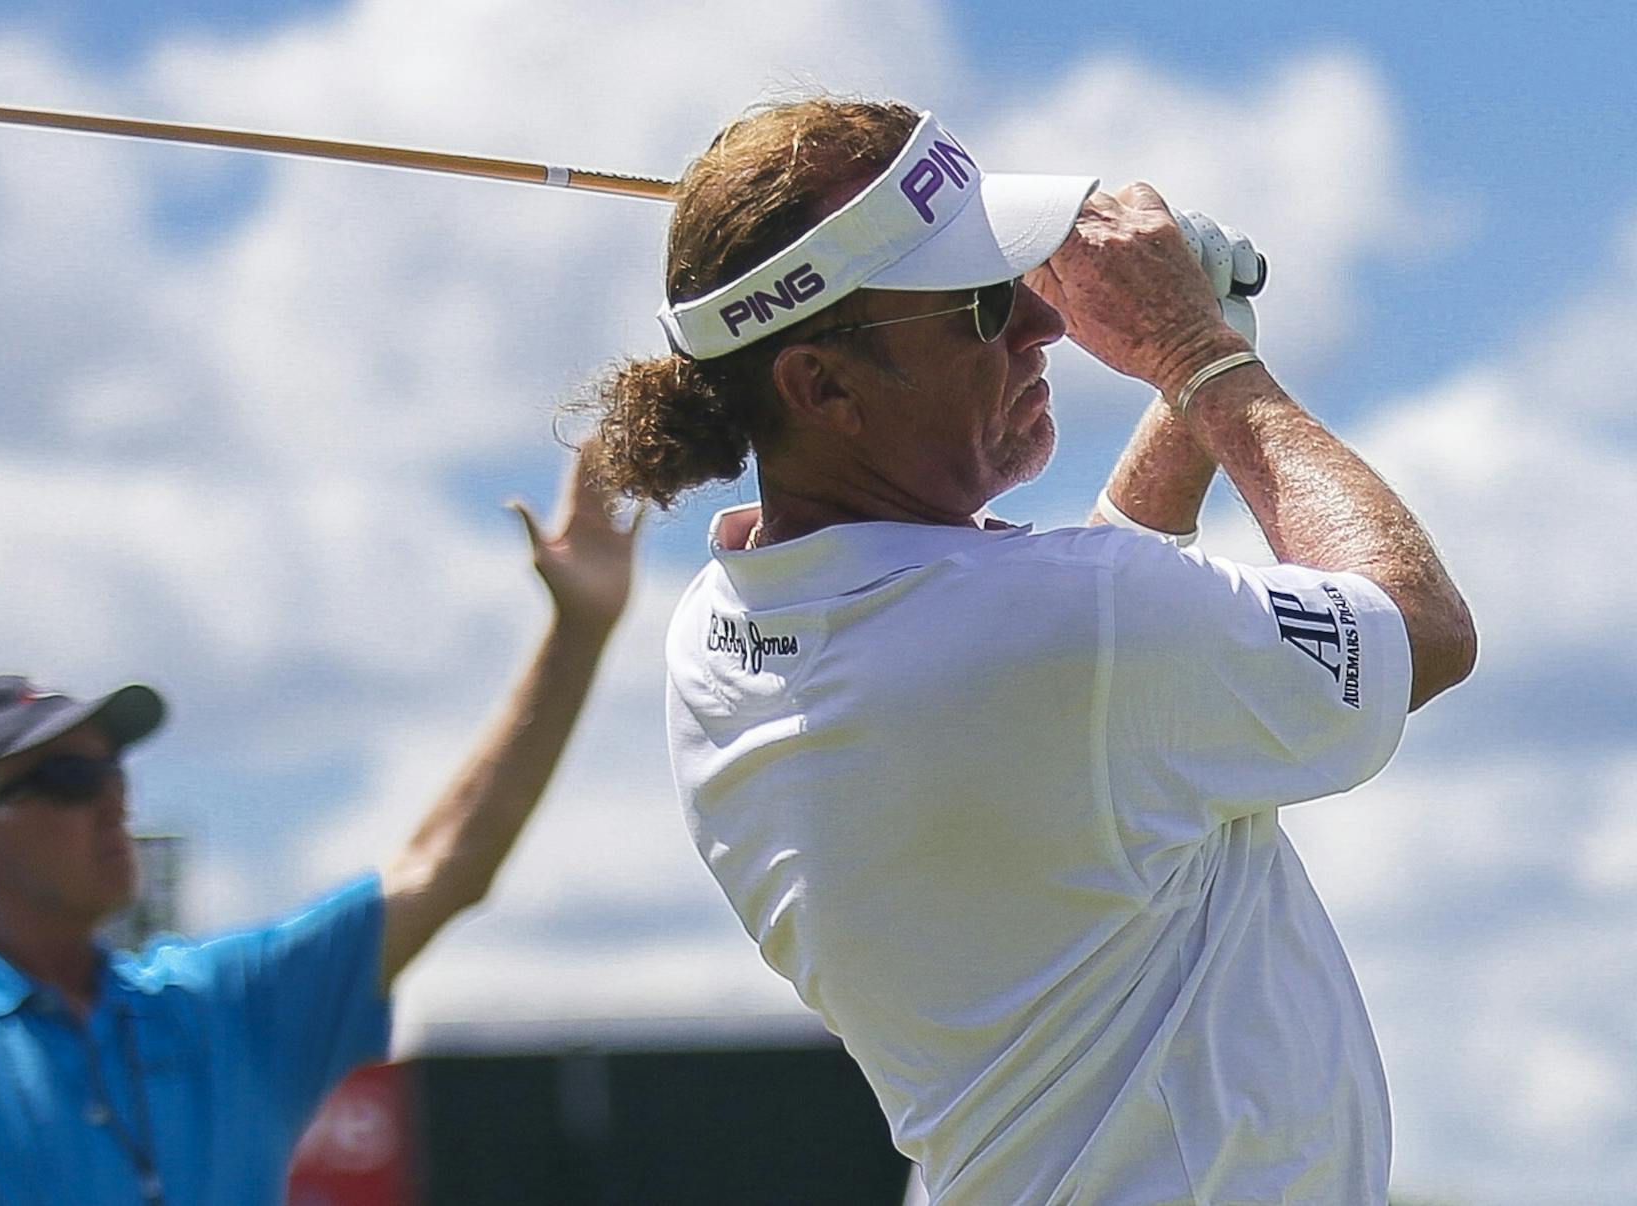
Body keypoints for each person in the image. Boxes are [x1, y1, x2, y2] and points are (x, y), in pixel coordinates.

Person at [584, 98, 1475, 1204]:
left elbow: (1092, 681)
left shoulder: (721, 629)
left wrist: (1198, 368)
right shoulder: (1064, 635)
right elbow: (1419, 630)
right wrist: (1196, 356)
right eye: (979, 303)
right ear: (822, 386)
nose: (1040, 322)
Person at [0, 362, 638, 1205]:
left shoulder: (224, 1007)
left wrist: (578, 632)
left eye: (112, 768)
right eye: (64, 778)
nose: (112, 798)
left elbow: (445, 867)